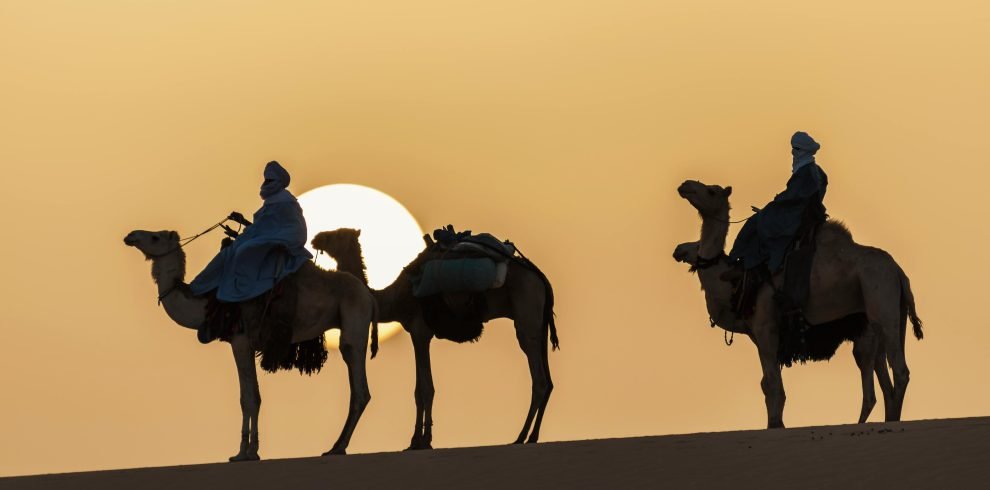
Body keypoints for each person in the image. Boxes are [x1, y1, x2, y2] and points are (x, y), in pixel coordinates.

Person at [189, 161, 313, 303]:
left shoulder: (285, 203)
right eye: (266, 179)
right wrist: (242, 225)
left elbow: (294, 229)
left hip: (283, 240)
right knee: (228, 252)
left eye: (270, 180)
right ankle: (199, 287)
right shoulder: (273, 202)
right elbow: (264, 228)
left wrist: (276, 239)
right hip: (269, 238)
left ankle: (241, 290)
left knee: (244, 250)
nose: (266, 183)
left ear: (279, 182)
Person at [727, 131, 828, 274]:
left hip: (795, 214)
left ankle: (735, 261)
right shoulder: (817, 171)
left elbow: (793, 195)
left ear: (804, 150)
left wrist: (773, 205)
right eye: (793, 148)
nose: (793, 152)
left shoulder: (806, 172)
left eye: (796, 149)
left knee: (755, 222)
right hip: (800, 211)